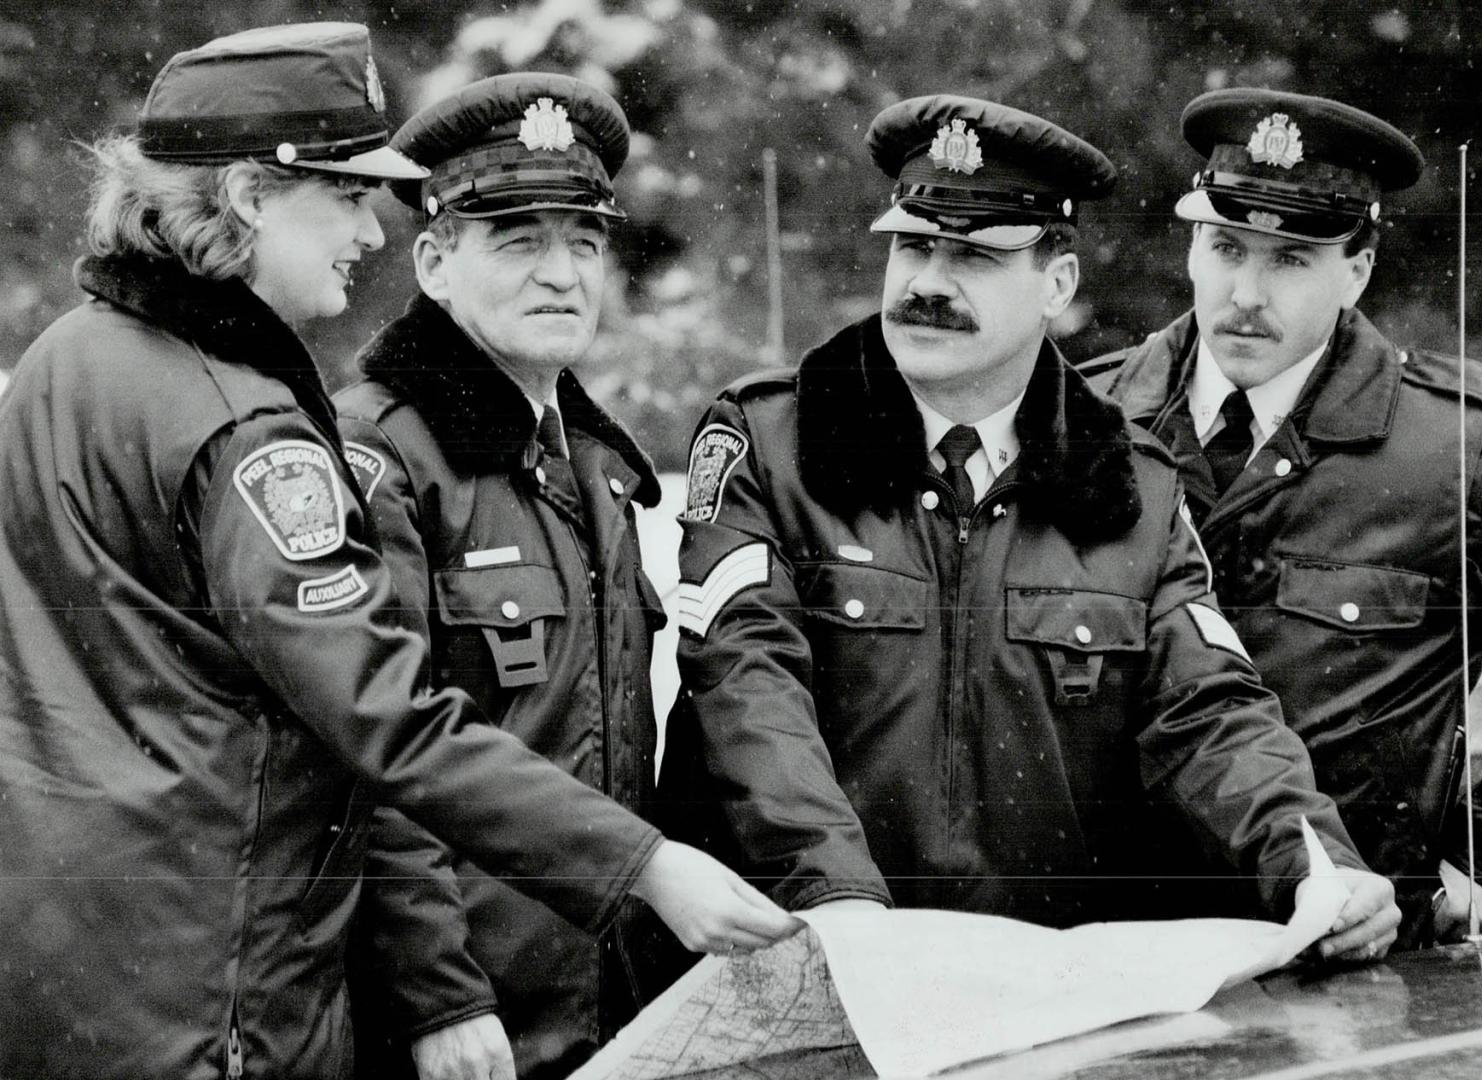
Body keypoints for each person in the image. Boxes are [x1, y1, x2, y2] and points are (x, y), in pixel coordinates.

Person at [0, 24, 795, 1080]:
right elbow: (386, 718)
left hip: (68, 971)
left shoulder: (67, 357)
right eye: (344, 195)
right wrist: (642, 868)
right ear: (248, 198)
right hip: (216, 1001)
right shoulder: (249, 434)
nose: (369, 234)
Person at [656, 94, 1399, 958]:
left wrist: (1316, 866)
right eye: (913, 245)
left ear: (1058, 285)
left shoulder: (1128, 484)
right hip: (801, 962)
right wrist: (840, 902)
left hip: (1031, 989)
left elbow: (1211, 713)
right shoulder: (773, 441)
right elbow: (747, 688)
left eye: (972, 255)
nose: (928, 283)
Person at [1081, 88, 1482, 948]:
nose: (1246, 294)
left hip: (1360, 954)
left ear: (1359, 270)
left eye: (1293, 259)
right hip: (1119, 948)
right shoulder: (1086, 423)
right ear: (1192, 245)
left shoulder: (1452, 445)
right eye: (1226, 246)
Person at [334, 74, 675, 1080]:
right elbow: (373, 751)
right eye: (519, 242)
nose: (562, 274)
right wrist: (435, 991)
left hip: (601, 1008)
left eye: (583, 242)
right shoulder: (379, 456)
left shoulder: (594, 466)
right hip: (461, 1027)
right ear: (435, 263)